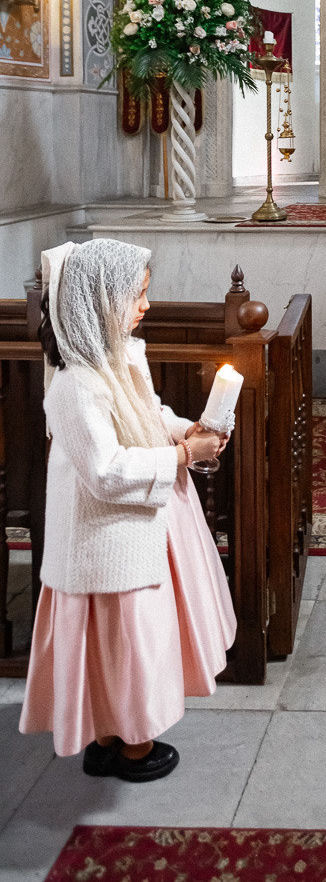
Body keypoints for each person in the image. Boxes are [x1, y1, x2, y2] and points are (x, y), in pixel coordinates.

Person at [19, 240, 236, 780]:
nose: (147, 305)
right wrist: (184, 456)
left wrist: (186, 428)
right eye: (136, 295)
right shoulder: (76, 384)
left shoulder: (118, 358)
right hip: (103, 539)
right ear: (98, 300)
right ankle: (130, 744)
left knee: (124, 643)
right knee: (124, 645)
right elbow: (106, 471)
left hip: (132, 529)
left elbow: (149, 411)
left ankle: (111, 733)